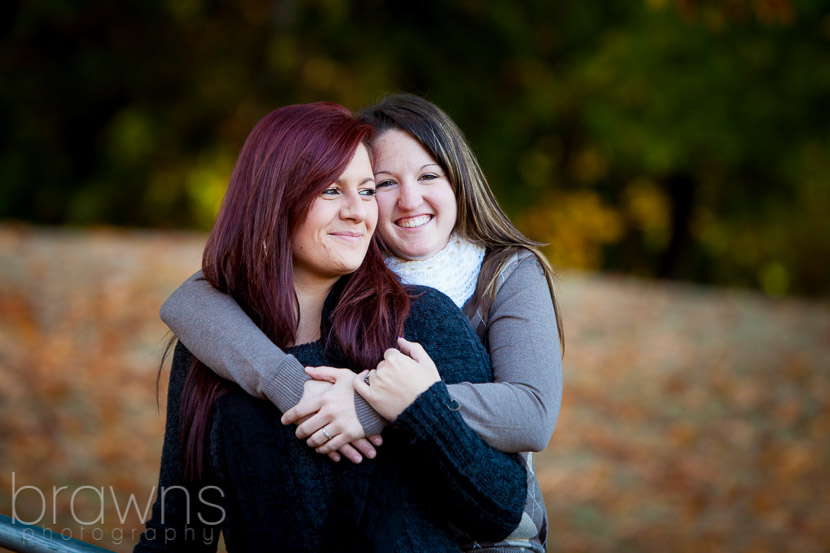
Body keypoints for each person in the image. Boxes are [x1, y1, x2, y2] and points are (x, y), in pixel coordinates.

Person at [160, 94, 563, 552]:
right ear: (273, 201)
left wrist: (387, 404)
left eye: (366, 189)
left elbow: (531, 418)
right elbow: (191, 300)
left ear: (459, 182)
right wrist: (291, 385)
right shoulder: (223, 336)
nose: (400, 201)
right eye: (382, 184)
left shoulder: (466, 292)